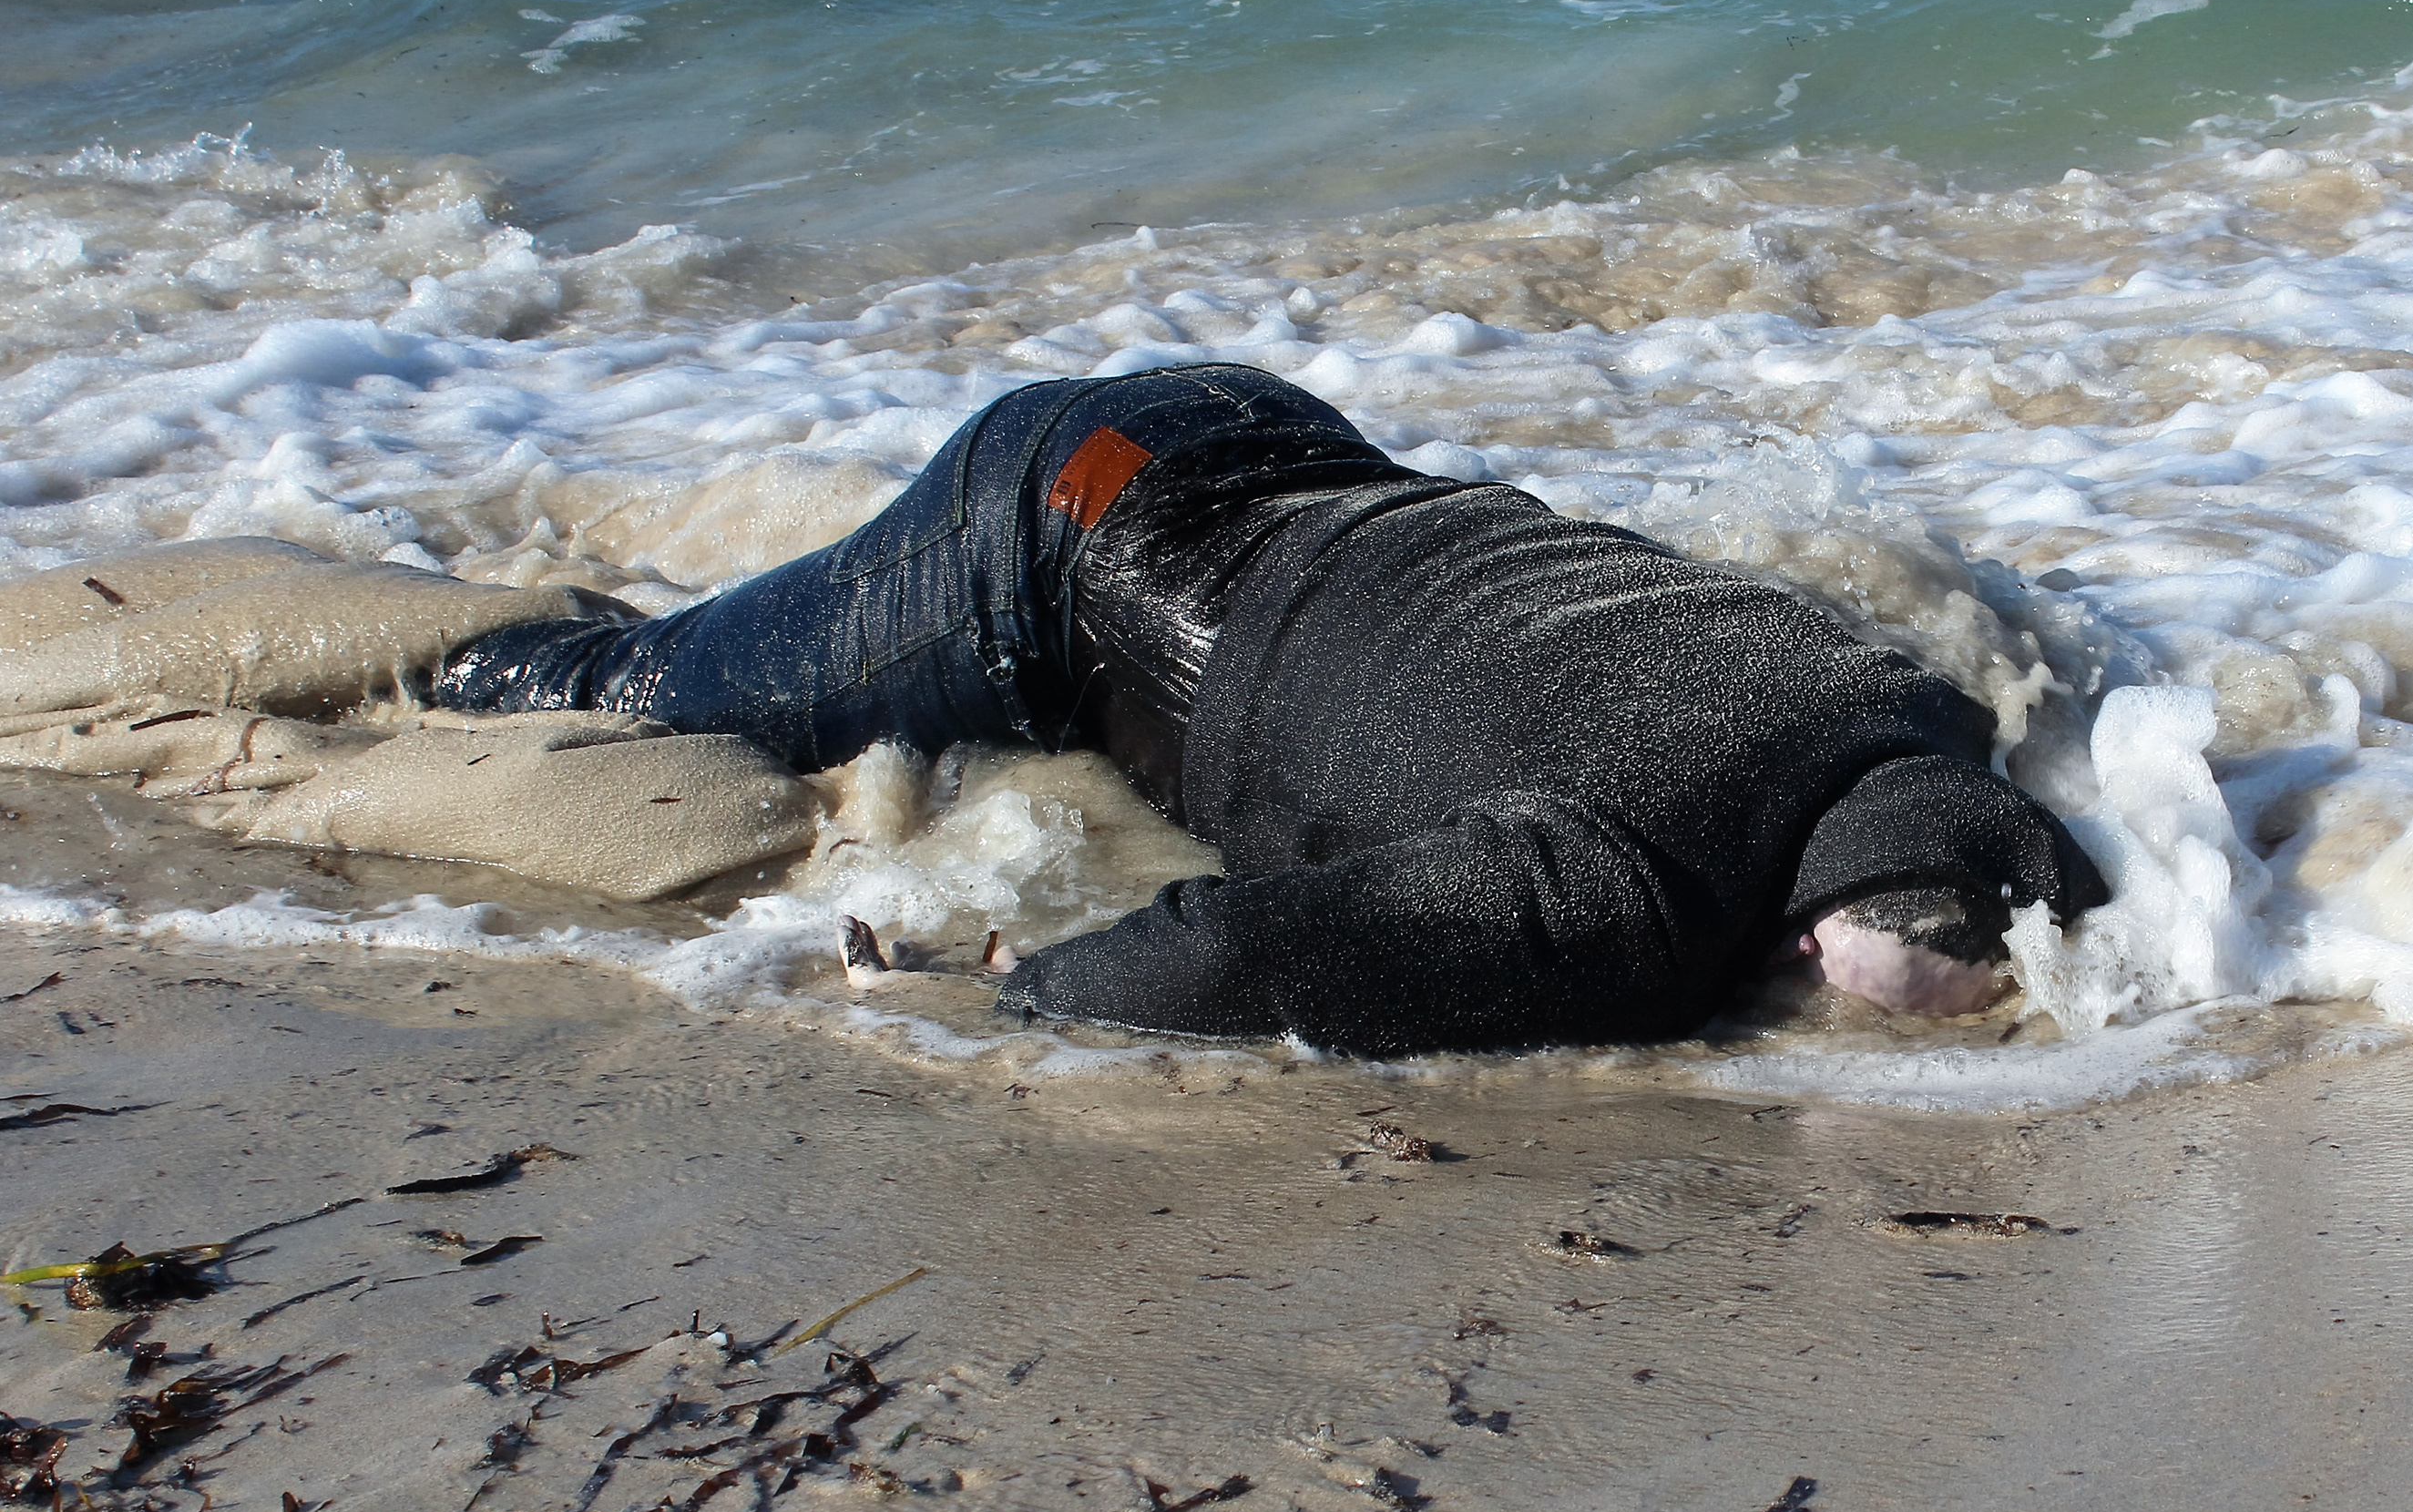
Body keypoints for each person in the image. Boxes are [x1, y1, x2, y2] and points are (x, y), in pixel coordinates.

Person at [433, 363, 2105, 1056]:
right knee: (620, 697)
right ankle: (423, 637)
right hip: (1065, 538)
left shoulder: (1909, 702)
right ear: (1816, 937)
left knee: (741, 643)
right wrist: (1011, 984)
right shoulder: (1621, 897)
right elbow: (1233, 958)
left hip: (1262, 433)